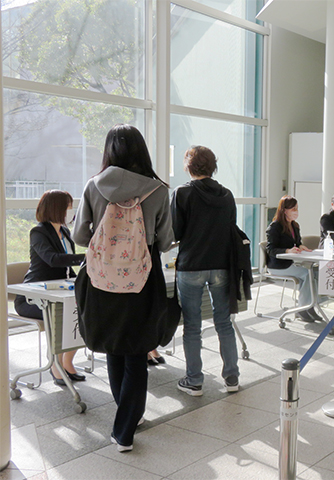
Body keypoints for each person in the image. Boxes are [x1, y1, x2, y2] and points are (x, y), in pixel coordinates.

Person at [73, 124, 174, 452]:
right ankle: (126, 426)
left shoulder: (93, 185)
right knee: (137, 347)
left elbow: (78, 236)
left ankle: (126, 416)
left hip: (101, 277)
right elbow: (165, 240)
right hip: (142, 278)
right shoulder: (158, 189)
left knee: (114, 346)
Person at [171, 145, 240, 396]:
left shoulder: (182, 193)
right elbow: (230, 228)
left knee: (192, 326)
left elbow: (175, 232)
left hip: (191, 266)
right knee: (224, 322)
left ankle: (195, 380)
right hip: (221, 265)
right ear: (213, 166)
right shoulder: (227, 195)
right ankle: (232, 378)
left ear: (188, 167)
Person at [15, 190, 85, 386]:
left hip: (59, 292)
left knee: (83, 311)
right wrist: (85, 257)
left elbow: (66, 269)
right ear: (57, 209)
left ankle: (67, 363)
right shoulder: (38, 232)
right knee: (62, 315)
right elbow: (53, 260)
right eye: (69, 207)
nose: (72, 212)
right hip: (33, 298)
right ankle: (55, 366)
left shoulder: (64, 232)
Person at [266, 196, 318, 322]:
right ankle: (302, 309)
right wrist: (287, 251)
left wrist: (301, 246)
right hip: (278, 266)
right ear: (284, 210)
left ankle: (309, 305)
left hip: (290, 263)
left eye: (297, 208)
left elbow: (297, 242)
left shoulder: (295, 226)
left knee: (315, 273)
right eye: (293, 209)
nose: (296, 211)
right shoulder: (275, 227)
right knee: (307, 274)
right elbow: (270, 249)